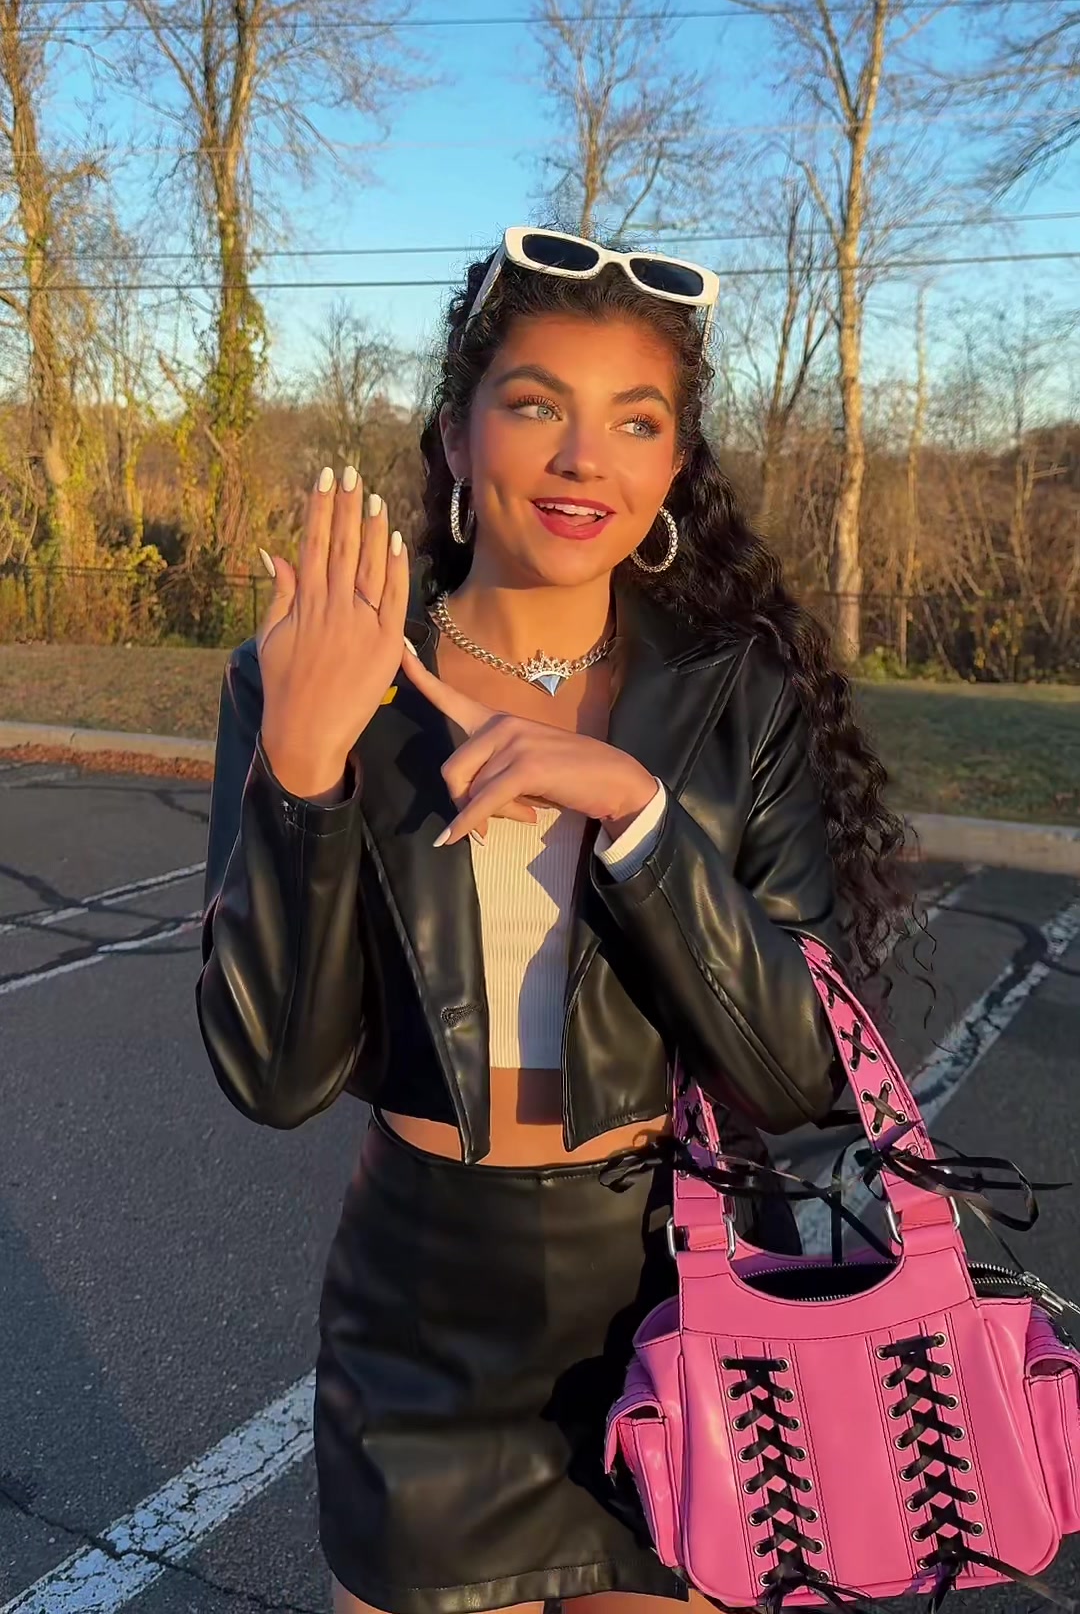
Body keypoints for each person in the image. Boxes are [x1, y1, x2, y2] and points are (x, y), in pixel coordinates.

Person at [196, 228, 912, 1614]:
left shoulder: (734, 700)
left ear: (674, 468)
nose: (586, 458)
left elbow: (794, 1075)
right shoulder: (315, 678)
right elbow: (278, 1078)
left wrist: (639, 819)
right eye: (536, 406)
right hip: (420, 1321)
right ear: (457, 438)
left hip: (677, 1294)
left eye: (636, 421)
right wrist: (304, 770)